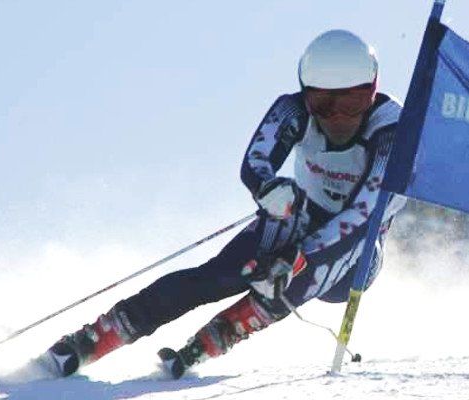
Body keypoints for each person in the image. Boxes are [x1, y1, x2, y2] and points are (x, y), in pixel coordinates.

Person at [44, 29, 406, 379]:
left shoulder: (393, 131)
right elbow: (256, 161)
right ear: (306, 95)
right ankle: (100, 335)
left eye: (352, 103)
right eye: (324, 104)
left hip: (358, 253)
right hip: (302, 216)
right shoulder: (293, 110)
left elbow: (364, 213)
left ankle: (230, 328)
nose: (338, 117)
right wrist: (267, 188)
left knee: (292, 277)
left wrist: (299, 257)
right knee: (222, 274)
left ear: (372, 92)